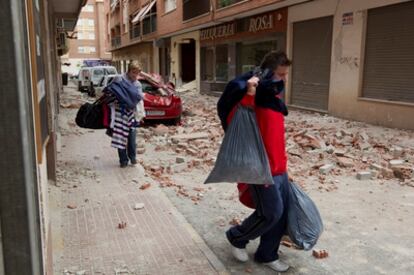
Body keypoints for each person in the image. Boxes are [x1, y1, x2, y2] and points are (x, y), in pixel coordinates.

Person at [218, 51, 292, 272]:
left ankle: (267, 254)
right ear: (269, 73)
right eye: (280, 74)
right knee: (271, 212)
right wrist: (250, 93)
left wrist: (286, 165)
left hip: (280, 167)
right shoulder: (252, 95)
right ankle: (237, 237)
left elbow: (276, 134)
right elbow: (237, 122)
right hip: (259, 167)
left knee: (280, 216)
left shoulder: (273, 96)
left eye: (286, 74)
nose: (284, 79)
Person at [105, 61, 143, 168]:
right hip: (119, 113)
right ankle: (123, 160)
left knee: (132, 138)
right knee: (120, 137)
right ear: (128, 71)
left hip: (132, 114)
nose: (135, 76)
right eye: (133, 73)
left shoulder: (138, 84)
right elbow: (109, 93)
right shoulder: (119, 79)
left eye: (137, 73)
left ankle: (133, 157)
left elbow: (139, 99)